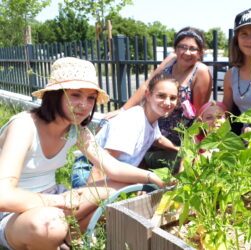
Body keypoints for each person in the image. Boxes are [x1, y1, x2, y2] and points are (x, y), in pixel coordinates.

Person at [0, 57, 164, 250]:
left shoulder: (75, 129)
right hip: (13, 214)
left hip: (54, 201)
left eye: (90, 98)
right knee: (48, 225)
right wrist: (59, 201)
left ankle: (67, 239)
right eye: (75, 95)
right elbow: (4, 196)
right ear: (55, 95)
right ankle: (52, 238)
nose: (84, 105)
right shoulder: (24, 126)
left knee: (117, 187)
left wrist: (151, 177)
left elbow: (112, 167)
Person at [105, 27, 212, 170]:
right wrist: (123, 110)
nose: (187, 52)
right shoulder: (170, 60)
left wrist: (188, 150)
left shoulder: (201, 72)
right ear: (175, 49)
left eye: (193, 49)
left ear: (200, 53)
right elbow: (147, 85)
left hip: (176, 141)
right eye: (182, 47)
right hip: (151, 132)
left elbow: (199, 116)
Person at [71, 73, 180, 188]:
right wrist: (91, 198)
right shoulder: (132, 122)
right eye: (161, 96)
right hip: (90, 172)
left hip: (115, 174)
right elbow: (101, 166)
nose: (168, 102)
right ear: (148, 95)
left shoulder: (151, 119)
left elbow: (158, 139)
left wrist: (179, 149)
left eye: (173, 98)